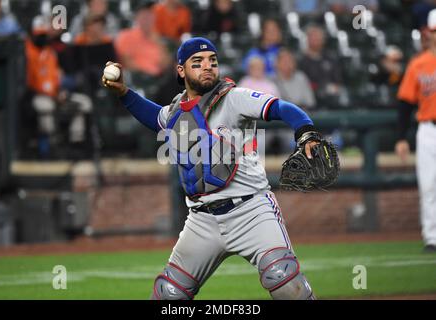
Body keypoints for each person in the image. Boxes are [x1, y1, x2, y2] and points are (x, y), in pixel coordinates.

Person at [103, 37, 321, 299]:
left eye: (212, 61)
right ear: (181, 70)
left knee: (284, 279)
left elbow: (281, 108)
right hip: (202, 219)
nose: (207, 67)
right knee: (169, 294)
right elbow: (155, 118)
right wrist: (124, 93)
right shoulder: (176, 110)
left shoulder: (234, 98)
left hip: (251, 211)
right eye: (198, 62)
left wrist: (305, 131)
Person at [395, 8, 436, 253]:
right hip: (428, 129)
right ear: (427, 32)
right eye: (433, 30)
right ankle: (432, 237)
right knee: (429, 185)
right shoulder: (418, 64)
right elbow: (405, 103)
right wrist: (401, 137)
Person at [26, 16, 92, 158]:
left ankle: (76, 144)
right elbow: (32, 83)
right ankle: (50, 147)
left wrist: (62, 91)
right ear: (32, 35)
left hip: (56, 94)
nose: (42, 38)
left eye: (44, 35)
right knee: (45, 107)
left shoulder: (50, 53)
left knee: (84, 103)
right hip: (39, 96)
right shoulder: (27, 53)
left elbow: (57, 78)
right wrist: (53, 94)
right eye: (39, 35)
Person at [114, 1, 169, 77]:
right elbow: (126, 61)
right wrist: (147, 72)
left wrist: (159, 44)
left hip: (158, 80)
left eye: (150, 14)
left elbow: (166, 65)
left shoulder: (157, 37)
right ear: (137, 17)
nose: (148, 18)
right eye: (144, 14)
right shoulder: (126, 36)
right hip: (136, 79)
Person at [299, 24, 342, 105]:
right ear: (307, 39)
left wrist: (330, 88)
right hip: (309, 96)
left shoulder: (331, 58)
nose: (316, 39)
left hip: (330, 96)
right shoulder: (301, 60)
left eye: (318, 37)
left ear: (323, 40)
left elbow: (337, 81)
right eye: (313, 37)